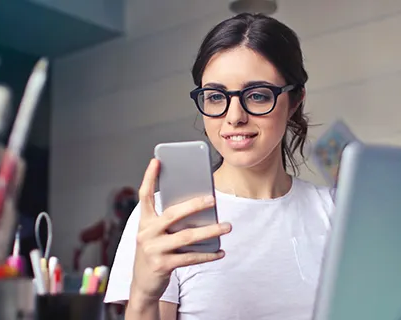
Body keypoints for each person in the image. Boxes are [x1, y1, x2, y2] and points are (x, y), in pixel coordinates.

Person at [104, 13, 334, 320]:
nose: (234, 116)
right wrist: (144, 294)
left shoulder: (335, 211)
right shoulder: (165, 219)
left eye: (256, 95)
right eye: (215, 96)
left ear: (294, 101)